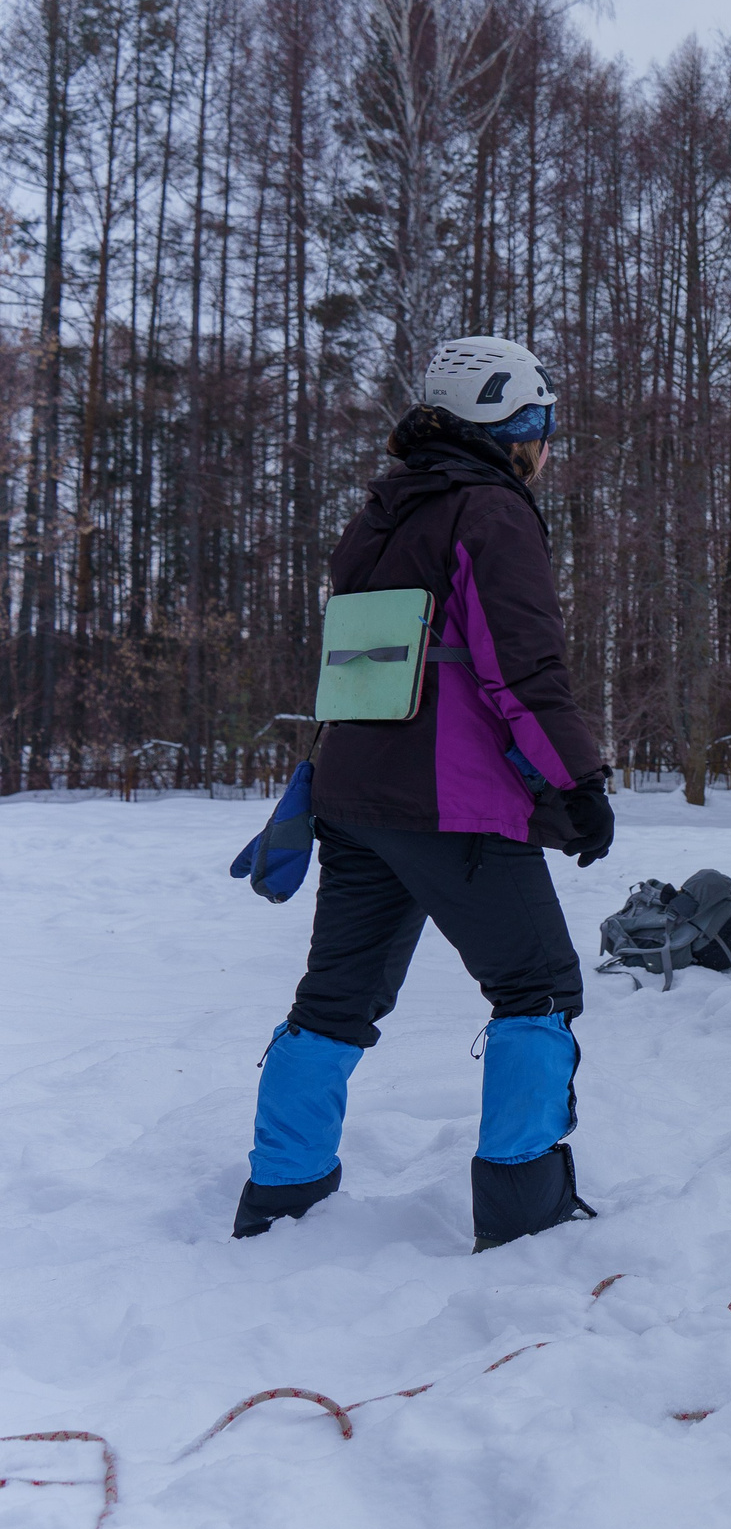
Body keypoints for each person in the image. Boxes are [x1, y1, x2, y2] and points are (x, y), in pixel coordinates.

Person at [235, 335, 611, 1251]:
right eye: (541, 422)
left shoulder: (377, 515)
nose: (547, 441)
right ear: (513, 426)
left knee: (335, 998)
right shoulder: (492, 511)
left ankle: (281, 1192)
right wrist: (580, 781)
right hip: (453, 804)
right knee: (538, 987)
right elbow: (521, 669)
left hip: (355, 796)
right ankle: (527, 1210)